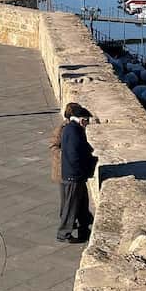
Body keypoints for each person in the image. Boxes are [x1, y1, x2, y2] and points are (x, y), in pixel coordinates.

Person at [56, 103, 96, 244]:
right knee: (71, 206)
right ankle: (64, 233)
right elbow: (74, 154)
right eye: (86, 121)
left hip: (74, 175)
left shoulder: (70, 129)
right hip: (74, 175)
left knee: (81, 204)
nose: (87, 123)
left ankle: (84, 230)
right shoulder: (74, 131)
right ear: (80, 119)